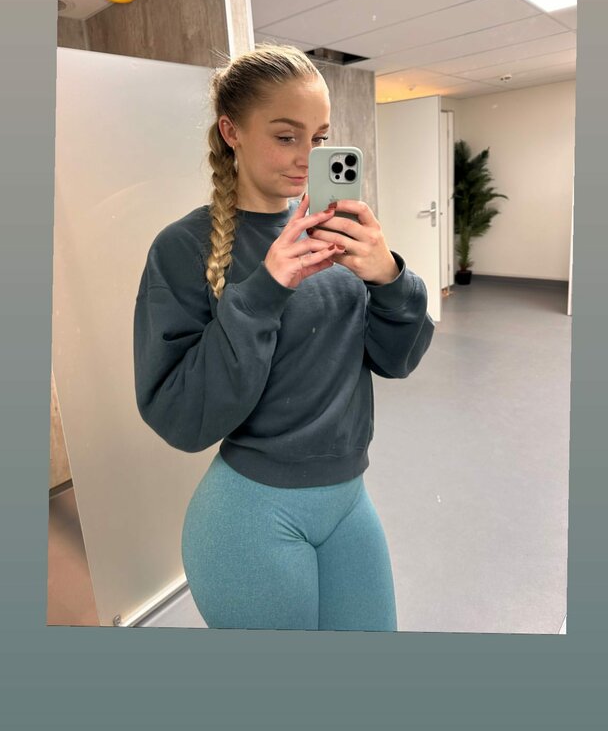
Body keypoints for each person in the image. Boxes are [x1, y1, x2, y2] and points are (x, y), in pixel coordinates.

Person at [133, 43, 435, 631]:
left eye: (319, 138)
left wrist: (389, 277)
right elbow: (178, 415)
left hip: (349, 499)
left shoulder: (337, 234)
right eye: (285, 135)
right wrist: (264, 290)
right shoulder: (183, 248)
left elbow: (396, 359)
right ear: (232, 132)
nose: (305, 157)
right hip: (250, 516)